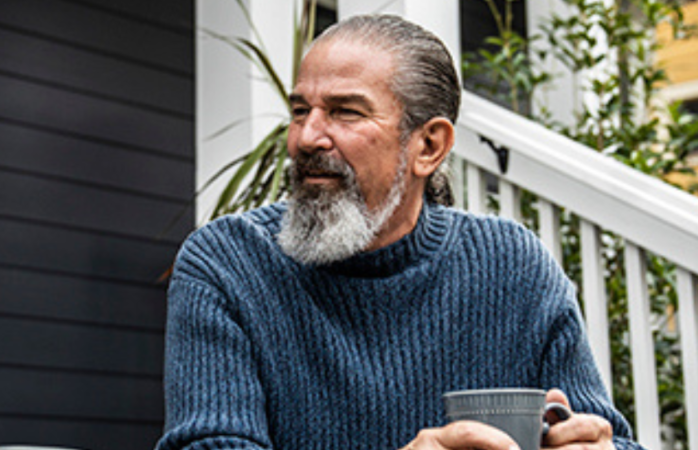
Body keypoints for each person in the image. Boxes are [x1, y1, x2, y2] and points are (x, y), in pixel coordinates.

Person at [157, 14, 644, 450]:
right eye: (301, 110)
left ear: (428, 146)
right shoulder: (227, 262)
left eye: (346, 111)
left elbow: (607, 435)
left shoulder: (512, 264)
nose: (306, 137)